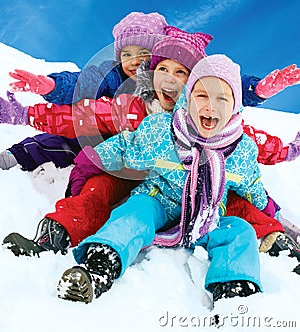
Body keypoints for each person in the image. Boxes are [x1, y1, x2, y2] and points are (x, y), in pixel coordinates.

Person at [55, 54, 274, 305]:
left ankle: (234, 294)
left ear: (235, 106)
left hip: (207, 216)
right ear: (187, 97)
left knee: (240, 231)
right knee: (134, 212)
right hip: (158, 201)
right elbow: (126, 148)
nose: (210, 106)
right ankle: (99, 266)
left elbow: (252, 185)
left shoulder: (241, 150)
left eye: (222, 98)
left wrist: (270, 210)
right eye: (201, 95)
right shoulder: (162, 130)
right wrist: (87, 163)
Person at [2, 27, 212, 254]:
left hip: (174, 192)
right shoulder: (133, 107)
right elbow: (84, 116)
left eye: (180, 72)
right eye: (162, 69)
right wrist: (27, 114)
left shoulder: (206, 120)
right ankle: (55, 235)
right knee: (97, 188)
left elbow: (241, 145)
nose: (169, 78)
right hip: (130, 173)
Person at [0, 11, 168, 171]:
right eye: (126, 55)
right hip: (105, 137)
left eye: (144, 53)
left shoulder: (166, 82)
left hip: (144, 152)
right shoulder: (113, 75)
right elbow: (86, 82)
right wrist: (53, 85)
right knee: (75, 129)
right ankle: (21, 154)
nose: (134, 61)